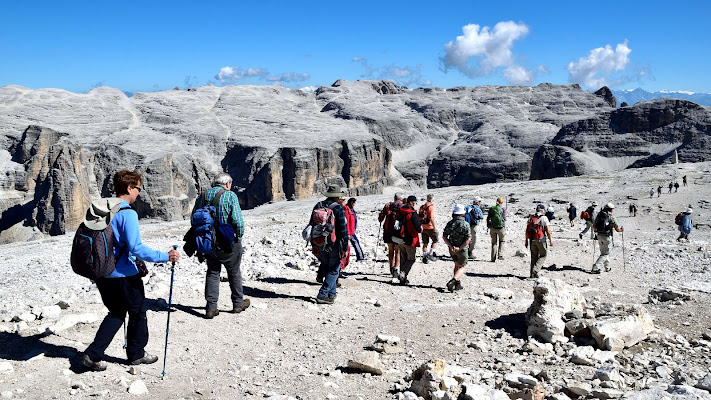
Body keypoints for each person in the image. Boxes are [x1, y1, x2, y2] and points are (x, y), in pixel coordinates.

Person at [80, 170, 180, 371]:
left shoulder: (101, 208)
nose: (139, 193)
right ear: (128, 188)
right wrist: (165, 256)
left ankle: (93, 355)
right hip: (124, 274)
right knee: (137, 312)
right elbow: (136, 248)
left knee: (116, 313)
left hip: (101, 273)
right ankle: (136, 354)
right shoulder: (127, 213)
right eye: (138, 188)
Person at [192, 172, 249, 319]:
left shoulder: (203, 196)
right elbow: (238, 221)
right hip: (228, 242)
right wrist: (239, 237)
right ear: (227, 184)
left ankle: (211, 308)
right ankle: (237, 303)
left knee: (212, 272)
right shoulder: (230, 196)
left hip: (208, 242)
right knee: (234, 271)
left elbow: (193, 218)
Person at [313, 185, 349, 304]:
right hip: (334, 243)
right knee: (334, 269)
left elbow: (312, 226)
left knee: (327, 266)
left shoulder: (318, 206)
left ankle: (331, 295)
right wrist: (344, 247)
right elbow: (343, 230)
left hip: (321, 242)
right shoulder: (338, 208)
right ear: (337, 196)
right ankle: (322, 295)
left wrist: (314, 244)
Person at [394, 195, 423, 285]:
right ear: (412, 203)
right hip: (410, 239)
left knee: (403, 258)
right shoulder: (412, 213)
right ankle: (403, 273)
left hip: (400, 239)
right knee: (411, 259)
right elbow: (418, 228)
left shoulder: (400, 211)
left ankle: (403, 280)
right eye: (415, 203)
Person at [442, 204, 471, 291]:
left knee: (456, 265)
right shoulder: (465, 224)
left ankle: (457, 284)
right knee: (463, 266)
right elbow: (468, 239)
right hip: (462, 249)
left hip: (452, 248)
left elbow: (444, 237)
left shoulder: (450, 223)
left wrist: (451, 246)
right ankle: (453, 281)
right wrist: (460, 248)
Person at [592, 203, 624, 274]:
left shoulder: (599, 214)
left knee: (604, 252)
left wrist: (596, 231)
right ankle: (595, 268)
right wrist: (622, 230)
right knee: (605, 254)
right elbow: (617, 229)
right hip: (606, 236)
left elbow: (594, 225)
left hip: (599, 235)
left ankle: (607, 267)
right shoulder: (611, 217)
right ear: (610, 209)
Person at [378, 193, 404, 277]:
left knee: (390, 250)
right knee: (397, 250)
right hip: (398, 232)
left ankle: (391, 267)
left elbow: (380, 219)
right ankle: (396, 268)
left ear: (394, 198)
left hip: (388, 231)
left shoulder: (388, 206)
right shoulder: (403, 207)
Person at [525, 204, 553, 279]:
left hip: (532, 239)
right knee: (543, 255)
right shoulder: (544, 218)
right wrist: (550, 241)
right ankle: (535, 270)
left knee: (533, 257)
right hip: (541, 239)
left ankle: (532, 275)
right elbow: (548, 231)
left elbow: (527, 230)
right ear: (542, 210)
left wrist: (526, 241)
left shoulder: (531, 217)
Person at [419, 194, 438, 264]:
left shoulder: (422, 207)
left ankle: (424, 257)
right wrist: (434, 227)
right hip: (430, 226)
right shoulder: (431, 207)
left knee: (425, 243)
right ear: (432, 199)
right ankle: (430, 254)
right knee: (435, 240)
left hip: (423, 226)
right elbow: (431, 218)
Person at [486, 197, 507, 262]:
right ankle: (500, 255)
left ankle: (493, 258)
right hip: (501, 228)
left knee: (494, 243)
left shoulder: (492, 208)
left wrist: (488, 226)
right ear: (502, 202)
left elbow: (488, 218)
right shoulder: (503, 209)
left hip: (492, 228)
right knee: (502, 241)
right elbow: (505, 219)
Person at [338, 196, 353, 275]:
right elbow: (345, 223)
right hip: (341, 234)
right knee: (343, 251)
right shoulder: (342, 209)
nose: (345, 201)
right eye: (343, 200)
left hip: (335, 235)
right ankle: (338, 270)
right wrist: (348, 234)